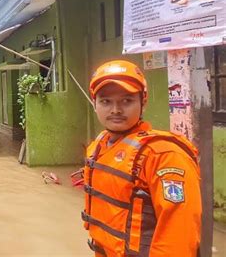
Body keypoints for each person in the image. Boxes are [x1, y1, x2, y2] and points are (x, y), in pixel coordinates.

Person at [82, 60, 201, 256]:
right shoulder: (100, 145)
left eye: (126, 101)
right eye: (106, 101)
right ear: (94, 103)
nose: (115, 110)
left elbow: (178, 234)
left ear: (143, 102)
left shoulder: (164, 155)